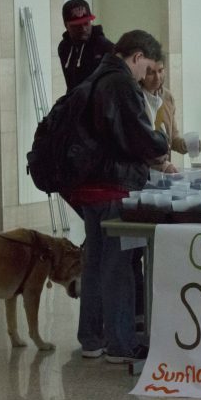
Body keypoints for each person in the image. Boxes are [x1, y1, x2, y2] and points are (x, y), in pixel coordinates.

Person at [68, 30, 169, 369]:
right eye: (148, 67)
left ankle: (91, 339)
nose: (147, 77)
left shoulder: (96, 74)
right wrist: (161, 143)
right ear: (137, 57)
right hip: (114, 187)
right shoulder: (121, 82)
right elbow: (141, 137)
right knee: (119, 267)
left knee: (94, 264)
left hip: (88, 186)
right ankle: (121, 343)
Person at [141, 60, 194, 172]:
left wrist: (187, 145)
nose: (157, 77)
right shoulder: (136, 98)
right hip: (142, 171)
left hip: (163, 171)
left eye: (160, 71)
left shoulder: (167, 97)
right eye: (151, 73)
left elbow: (172, 138)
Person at [57, 0, 115, 91]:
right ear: (66, 25)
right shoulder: (64, 47)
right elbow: (70, 84)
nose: (83, 29)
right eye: (77, 25)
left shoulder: (105, 47)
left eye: (86, 23)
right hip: (76, 102)